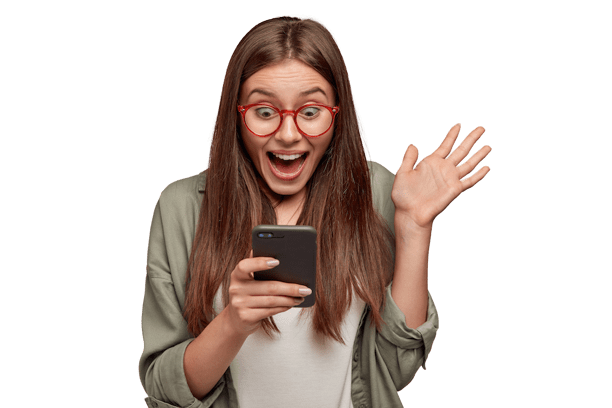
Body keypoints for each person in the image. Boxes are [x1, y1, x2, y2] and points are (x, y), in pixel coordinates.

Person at [138, 15, 491, 408]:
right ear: (237, 116)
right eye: (264, 111)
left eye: (310, 111)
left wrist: (413, 227)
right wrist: (232, 324)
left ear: (337, 116)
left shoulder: (376, 192)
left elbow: (396, 369)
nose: (288, 134)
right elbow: (162, 387)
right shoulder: (181, 207)